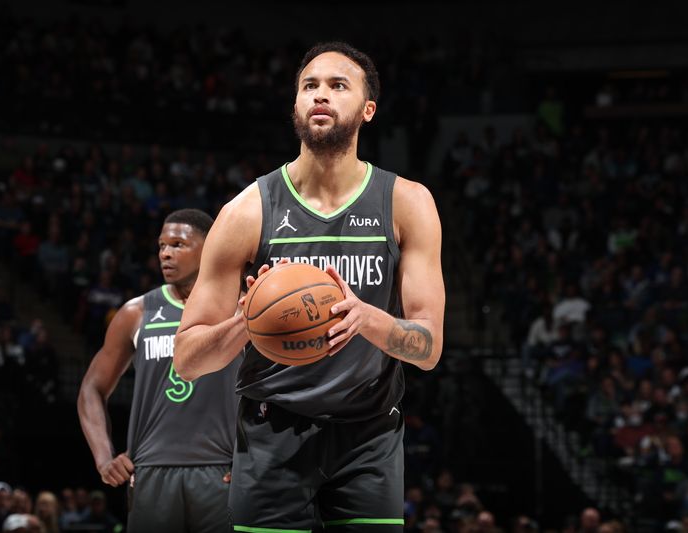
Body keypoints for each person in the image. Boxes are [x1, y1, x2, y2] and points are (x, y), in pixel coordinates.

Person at [174, 42, 445, 531]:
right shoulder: (247, 211)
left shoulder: (407, 203)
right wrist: (246, 322)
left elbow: (428, 349)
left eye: (338, 85)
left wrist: (369, 318)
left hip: (369, 434)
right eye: (309, 86)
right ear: (295, 106)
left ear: (368, 110)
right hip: (271, 432)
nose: (320, 95)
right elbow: (188, 359)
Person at [78, 209, 239, 532]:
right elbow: (90, 389)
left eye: (178, 244)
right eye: (161, 245)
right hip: (151, 470)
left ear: (209, 248)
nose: (165, 253)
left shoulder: (241, 310)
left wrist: (255, 459)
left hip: (223, 470)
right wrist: (104, 457)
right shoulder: (136, 313)